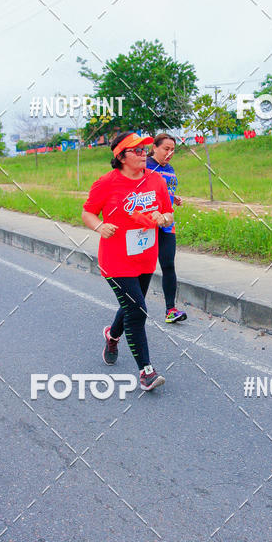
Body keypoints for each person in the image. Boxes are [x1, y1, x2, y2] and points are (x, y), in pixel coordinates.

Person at [81, 131, 174, 391]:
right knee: (137, 310)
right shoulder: (106, 182)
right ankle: (146, 372)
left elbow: (168, 212)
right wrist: (99, 226)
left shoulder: (156, 180)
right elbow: (88, 212)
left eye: (144, 149)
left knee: (133, 305)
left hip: (144, 256)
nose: (144, 153)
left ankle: (112, 335)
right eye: (137, 151)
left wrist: (163, 219)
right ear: (121, 156)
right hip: (115, 259)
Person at [146, 133, 187, 324]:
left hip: (167, 225)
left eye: (173, 150)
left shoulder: (169, 169)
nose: (170, 153)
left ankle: (170, 309)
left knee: (168, 265)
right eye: (166, 149)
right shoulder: (144, 165)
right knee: (142, 270)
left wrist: (174, 197)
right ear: (154, 147)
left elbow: (165, 191)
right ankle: (132, 308)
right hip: (147, 225)